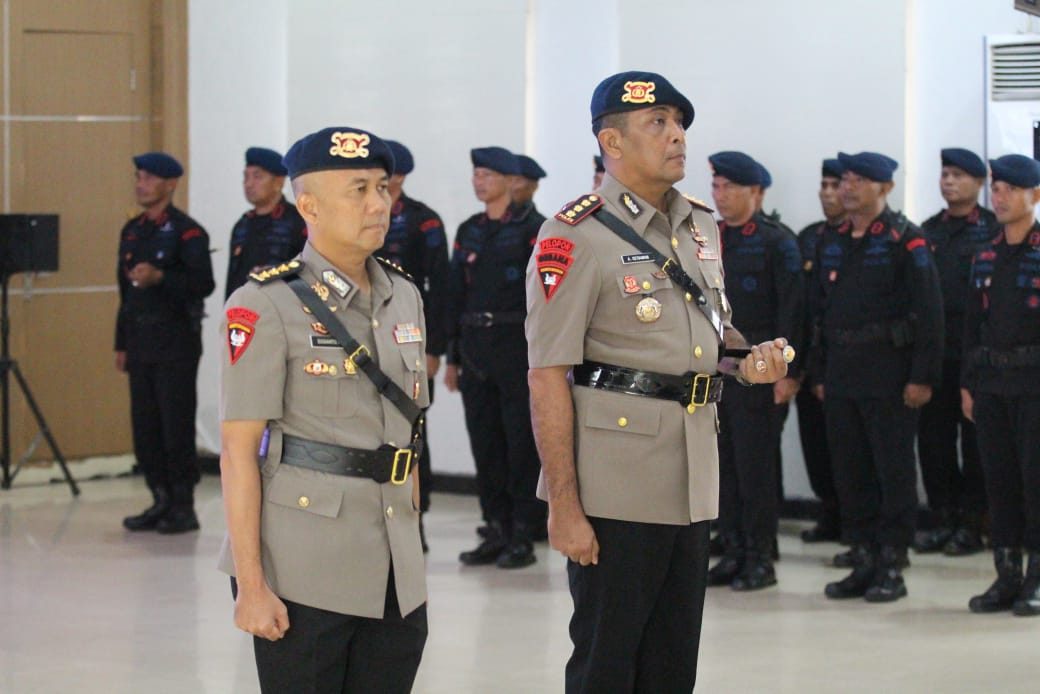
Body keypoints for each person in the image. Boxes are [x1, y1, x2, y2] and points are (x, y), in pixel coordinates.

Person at [526, 70, 790, 693]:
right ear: (612, 142)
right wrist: (564, 505)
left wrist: (747, 361)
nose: (678, 137)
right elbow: (547, 375)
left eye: (679, 124)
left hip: (691, 473)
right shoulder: (574, 235)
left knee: (673, 664)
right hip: (615, 484)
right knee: (607, 662)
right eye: (658, 123)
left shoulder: (699, 224)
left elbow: (710, 333)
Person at [218, 126, 429, 692]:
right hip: (303, 566)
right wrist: (251, 585)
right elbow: (238, 454)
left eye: (382, 188)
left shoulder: (404, 296)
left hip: (394, 564)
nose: (378, 204)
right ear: (308, 205)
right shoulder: (265, 304)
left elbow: (409, 424)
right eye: (358, 189)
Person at [810, 151, 944, 603]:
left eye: (859, 181)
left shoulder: (907, 240)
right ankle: (863, 557)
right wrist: (819, 371)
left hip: (889, 374)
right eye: (845, 179)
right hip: (842, 373)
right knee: (851, 473)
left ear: (885, 188)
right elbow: (818, 312)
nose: (847, 188)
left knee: (893, 472)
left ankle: (891, 562)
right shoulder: (832, 240)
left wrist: (922, 377)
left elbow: (930, 314)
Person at [705, 151, 803, 591]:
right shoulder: (706, 238)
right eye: (716, 186)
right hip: (717, 370)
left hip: (762, 370)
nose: (720, 195)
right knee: (723, 465)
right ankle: (732, 549)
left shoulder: (776, 242)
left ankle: (760, 556)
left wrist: (788, 373)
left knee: (755, 468)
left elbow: (793, 312)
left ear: (756, 193)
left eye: (729, 187)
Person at [445, 146, 547, 569]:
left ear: (510, 180)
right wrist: (452, 356)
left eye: (486, 175)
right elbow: (455, 293)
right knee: (485, 443)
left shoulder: (534, 229)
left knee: (520, 444)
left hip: (516, 347)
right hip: (475, 348)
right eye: (476, 175)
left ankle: (523, 532)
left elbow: (547, 296)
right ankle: (495, 527)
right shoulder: (469, 230)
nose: (479, 182)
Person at [118, 152, 215, 534]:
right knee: (145, 426)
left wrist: (160, 278)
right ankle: (159, 497)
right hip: (140, 342)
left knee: (175, 425)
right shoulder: (132, 231)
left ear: (170, 184)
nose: (140, 184)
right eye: (138, 176)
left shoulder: (188, 233)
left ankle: (182, 504)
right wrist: (120, 343)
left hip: (175, 343)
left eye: (148, 178)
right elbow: (125, 294)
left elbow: (202, 284)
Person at [962, 153, 1040, 617]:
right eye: (997, 187)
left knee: (1036, 484)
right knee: (1001, 484)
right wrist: (968, 384)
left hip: (1034, 387)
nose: (1001, 196)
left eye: (1012, 188)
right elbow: (973, 324)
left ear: (1035, 195)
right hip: (992, 387)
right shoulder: (986, 252)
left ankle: (1036, 579)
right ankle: (1007, 575)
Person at [915, 148, 997, 556]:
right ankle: (943, 518)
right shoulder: (929, 230)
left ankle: (973, 523)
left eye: (958, 175)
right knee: (934, 442)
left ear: (979, 183)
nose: (948, 181)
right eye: (945, 174)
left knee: (977, 444)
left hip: (977, 356)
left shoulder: (993, 230)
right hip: (937, 354)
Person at [375, 139, 451, 550]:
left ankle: (414, 518)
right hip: (366, 340)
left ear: (399, 177)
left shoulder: (423, 221)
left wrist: (435, 349)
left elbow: (439, 289)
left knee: (411, 429)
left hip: (409, 342)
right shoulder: (361, 215)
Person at [797, 158, 846, 543]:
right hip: (809, 357)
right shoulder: (808, 237)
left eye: (836, 185)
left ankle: (854, 519)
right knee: (815, 443)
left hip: (844, 360)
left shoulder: (856, 238)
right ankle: (829, 511)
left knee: (847, 447)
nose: (828, 193)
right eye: (824, 185)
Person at [225, 147, 307, 299]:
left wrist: (277, 274)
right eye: (246, 177)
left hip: (283, 307)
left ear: (279, 182)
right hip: (244, 308)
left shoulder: (298, 222)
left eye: (257, 177)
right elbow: (233, 281)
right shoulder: (242, 225)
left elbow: (312, 273)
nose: (249, 184)